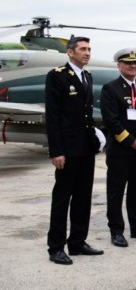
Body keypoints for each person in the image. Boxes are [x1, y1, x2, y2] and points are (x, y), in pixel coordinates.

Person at [44, 36, 105, 265]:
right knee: (62, 198)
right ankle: (56, 247)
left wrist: (96, 140)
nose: (87, 53)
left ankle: (78, 242)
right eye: (83, 49)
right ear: (70, 52)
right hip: (67, 150)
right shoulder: (57, 75)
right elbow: (53, 116)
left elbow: (86, 116)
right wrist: (56, 151)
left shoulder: (87, 76)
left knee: (83, 197)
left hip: (85, 148)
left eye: (89, 49)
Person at [100, 47, 136, 246]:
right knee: (116, 192)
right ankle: (116, 231)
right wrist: (132, 142)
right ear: (119, 65)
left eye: (135, 63)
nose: (132, 66)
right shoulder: (111, 88)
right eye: (128, 63)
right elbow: (111, 121)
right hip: (121, 151)